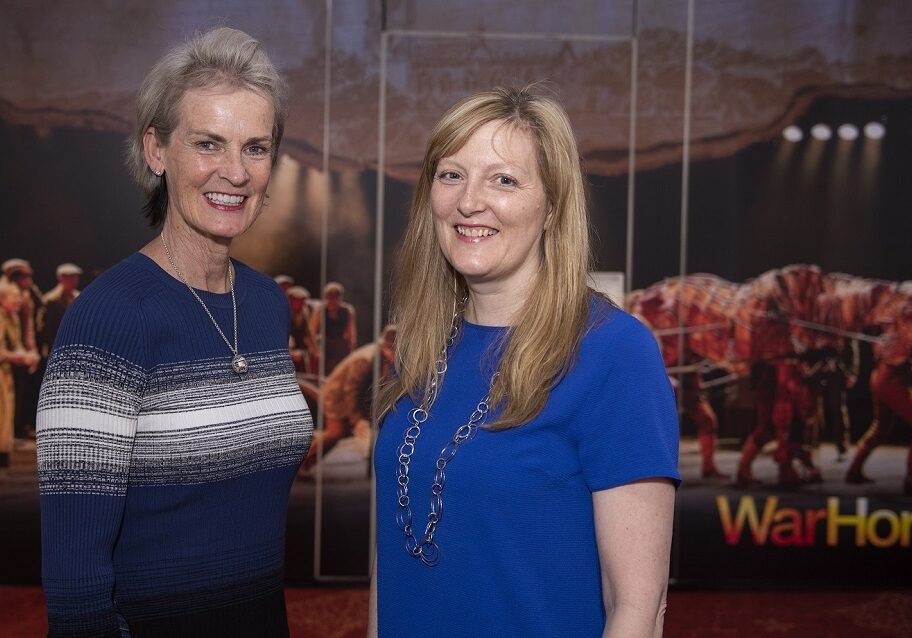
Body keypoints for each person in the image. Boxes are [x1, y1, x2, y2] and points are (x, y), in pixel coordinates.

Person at [371, 87, 680, 637]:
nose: (470, 201)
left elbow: (637, 607)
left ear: (553, 205)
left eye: (504, 180)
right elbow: (390, 562)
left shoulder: (614, 353)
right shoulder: (421, 345)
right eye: (451, 175)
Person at [36, 27, 312, 637]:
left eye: (256, 148)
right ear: (157, 151)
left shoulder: (267, 304)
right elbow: (76, 579)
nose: (234, 172)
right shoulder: (108, 318)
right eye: (209, 143)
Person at [303, 324, 395, 470]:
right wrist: (357, 419)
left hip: (344, 396)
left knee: (338, 434)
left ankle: (305, 463)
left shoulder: (380, 357)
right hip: (336, 397)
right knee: (335, 433)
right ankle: (301, 464)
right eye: (393, 351)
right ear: (385, 347)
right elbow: (351, 391)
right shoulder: (366, 359)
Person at [0, 283, 40, 473]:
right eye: (14, 296)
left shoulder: (11, 316)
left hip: (5, 374)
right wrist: (21, 357)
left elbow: (14, 346)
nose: (18, 299)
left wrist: (25, 355)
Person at [1, 258, 42, 439]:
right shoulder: (5, 293)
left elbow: (27, 327)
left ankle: (19, 424)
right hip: (5, 348)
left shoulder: (25, 296)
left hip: (15, 347)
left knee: (22, 388)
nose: (28, 281)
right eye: (24, 276)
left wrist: (30, 351)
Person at [37, 262, 84, 358]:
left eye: (76, 277)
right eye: (70, 277)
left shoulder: (78, 296)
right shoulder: (51, 299)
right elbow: (46, 328)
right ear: (61, 278)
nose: (74, 280)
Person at [310, 281, 356, 374]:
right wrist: (315, 350)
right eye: (330, 296)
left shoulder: (347, 311)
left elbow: (351, 334)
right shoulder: (320, 311)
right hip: (324, 344)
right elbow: (311, 332)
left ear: (340, 298)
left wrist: (351, 353)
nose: (332, 300)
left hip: (339, 344)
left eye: (335, 297)